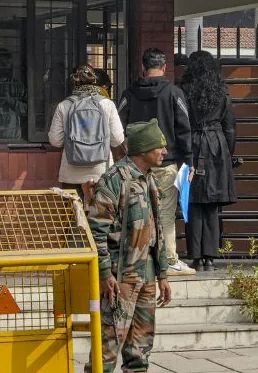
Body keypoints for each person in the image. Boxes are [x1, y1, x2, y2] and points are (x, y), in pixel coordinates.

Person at [81, 119, 173, 373]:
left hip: (146, 274)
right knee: (110, 339)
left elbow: (157, 230)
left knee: (141, 338)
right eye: (159, 146)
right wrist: (104, 272)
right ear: (144, 149)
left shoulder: (148, 179)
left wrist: (162, 273)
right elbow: (95, 231)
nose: (164, 151)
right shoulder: (114, 179)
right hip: (120, 277)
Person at [117, 48, 193, 275]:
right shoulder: (174, 93)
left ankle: (136, 259)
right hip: (165, 162)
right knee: (165, 213)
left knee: (135, 211)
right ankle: (169, 259)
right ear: (165, 67)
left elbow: (118, 125)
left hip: (136, 163)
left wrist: (127, 148)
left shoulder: (129, 93)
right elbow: (184, 129)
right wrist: (188, 162)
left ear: (143, 67)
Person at [180, 51, 237, 272]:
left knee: (192, 202)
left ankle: (195, 256)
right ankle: (210, 257)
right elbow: (230, 127)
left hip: (192, 145)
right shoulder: (222, 92)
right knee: (212, 205)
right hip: (216, 147)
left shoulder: (184, 92)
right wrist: (228, 154)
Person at [48, 65, 126, 204]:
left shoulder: (64, 105)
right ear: (94, 80)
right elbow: (117, 140)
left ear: (74, 82)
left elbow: (55, 141)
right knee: (100, 215)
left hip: (71, 174)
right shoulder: (107, 104)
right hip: (100, 173)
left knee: (72, 214)